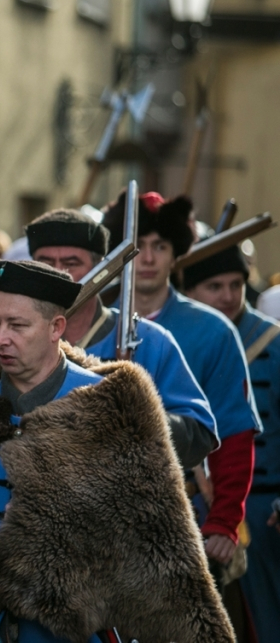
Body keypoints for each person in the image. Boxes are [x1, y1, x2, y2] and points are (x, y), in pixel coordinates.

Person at [0, 259, 232, 642]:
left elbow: (165, 555)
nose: (1, 338)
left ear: (55, 328)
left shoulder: (109, 407)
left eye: (18, 325)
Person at [103, 191, 261, 582]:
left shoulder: (213, 330)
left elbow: (234, 432)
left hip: (186, 513)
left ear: (176, 252)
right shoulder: (91, 324)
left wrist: (225, 520)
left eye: (160, 245)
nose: (150, 257)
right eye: (138, 245)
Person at [21, 208, 217, 467]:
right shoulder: (5, 343)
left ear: (101, 268)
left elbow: (199, 435)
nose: (58, 274)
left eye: (71, 263)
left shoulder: (152, 342)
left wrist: (135, 416)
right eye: (45, 263)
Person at [183, 245, 280, 640]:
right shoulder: (175, 337)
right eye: (213, 286)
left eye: (235, 284)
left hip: (263, 510)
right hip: (193, 506)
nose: (226, 296)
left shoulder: (272, 343)